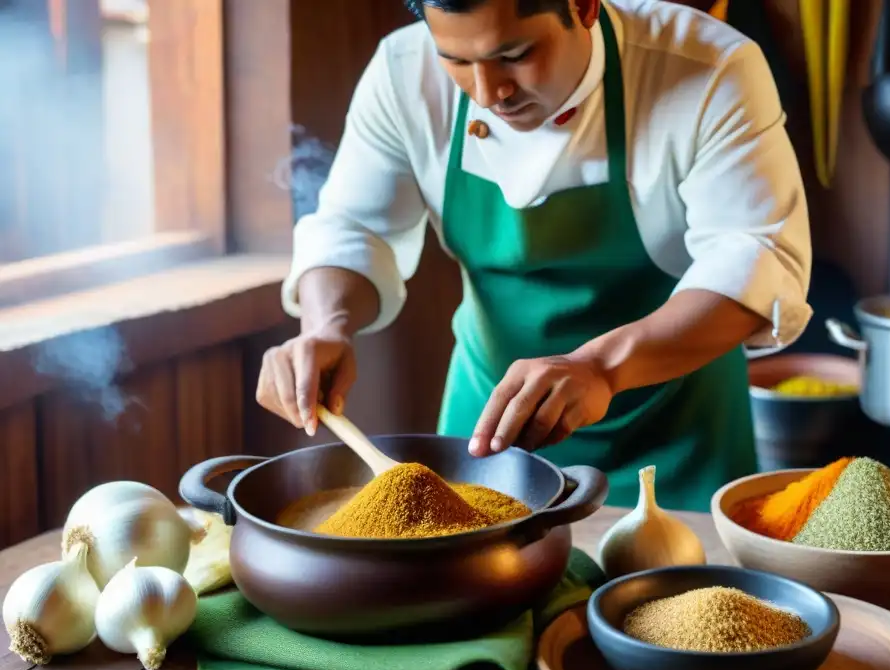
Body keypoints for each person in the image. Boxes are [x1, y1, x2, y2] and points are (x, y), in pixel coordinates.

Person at [256, 0, 812, 511]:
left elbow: (755, 256)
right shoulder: (403, 71)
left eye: (515, 55)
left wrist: (600, 366)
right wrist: (326, 326)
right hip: (490, 430)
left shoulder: (708, 67)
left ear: (584, 6)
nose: (487, 91)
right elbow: (355, 227)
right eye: (456, 59)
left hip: (678, 433)